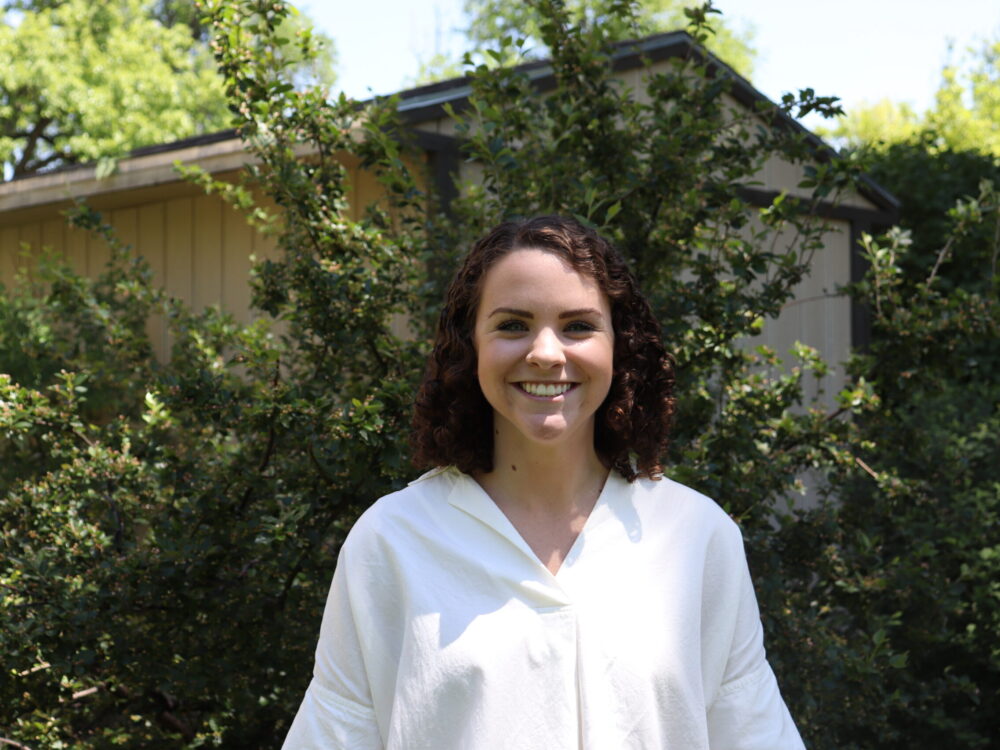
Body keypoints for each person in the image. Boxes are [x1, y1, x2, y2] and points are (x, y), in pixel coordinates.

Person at [282, 215, 805, 749]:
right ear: (470, 346)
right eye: (512, 325)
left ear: (618, 346)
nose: (547, 353)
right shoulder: (391, 540)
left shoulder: (696, 535)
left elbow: (753, 733)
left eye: (579, 325)